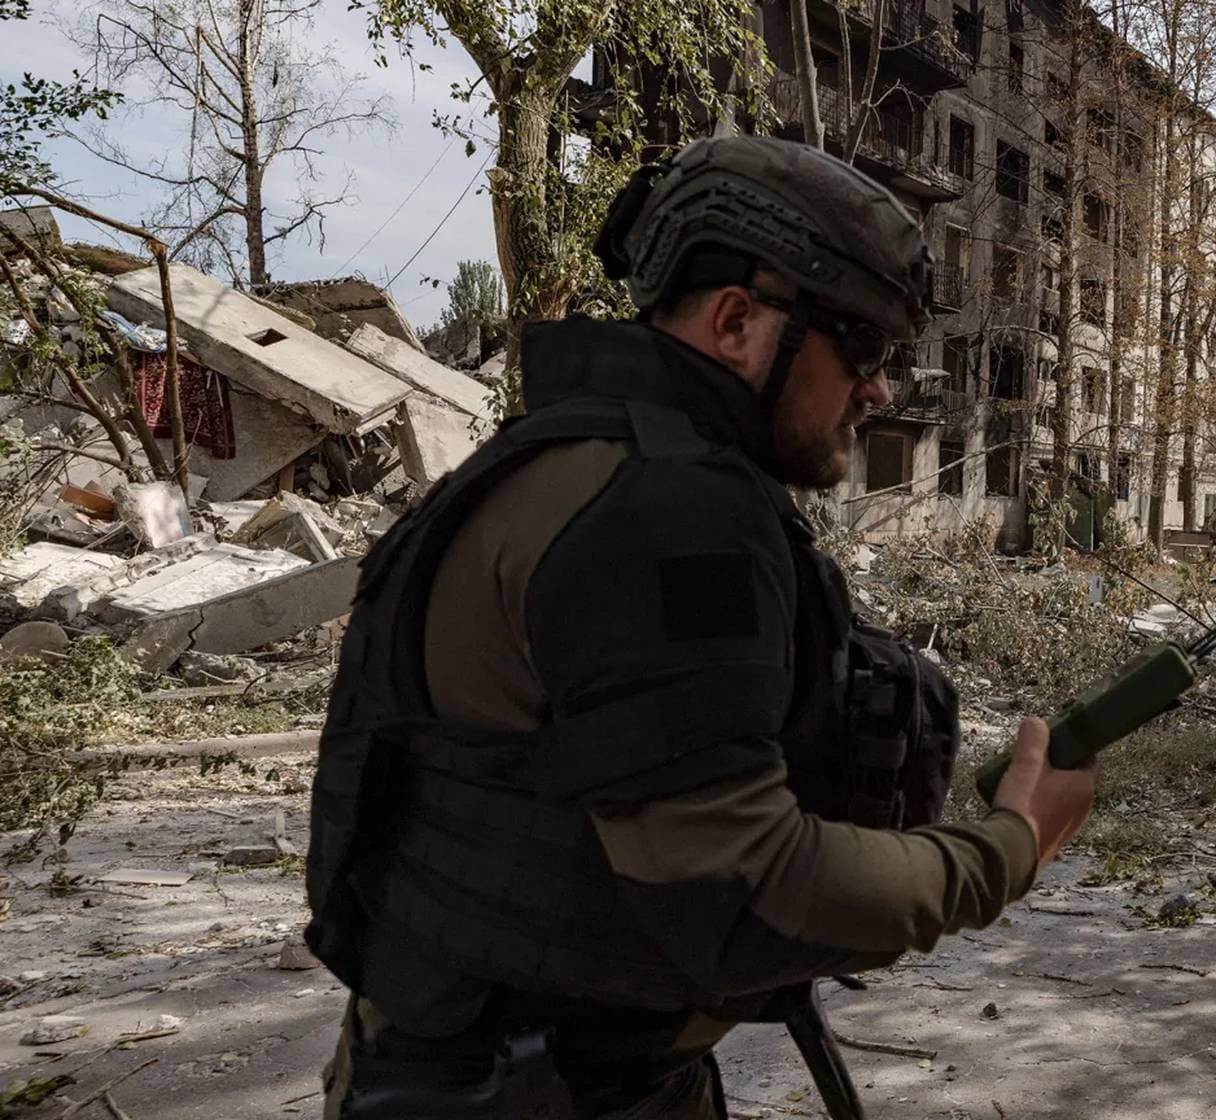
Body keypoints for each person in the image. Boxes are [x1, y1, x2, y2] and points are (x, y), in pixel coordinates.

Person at [303, 134, 1099, 1119]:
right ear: (737, 321)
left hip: (525, 1066)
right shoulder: (660, 511)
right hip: (527, 1088)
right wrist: (1008, 846)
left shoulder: (564, 459)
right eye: (864, 345)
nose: (882, 387)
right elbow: (750, 886)